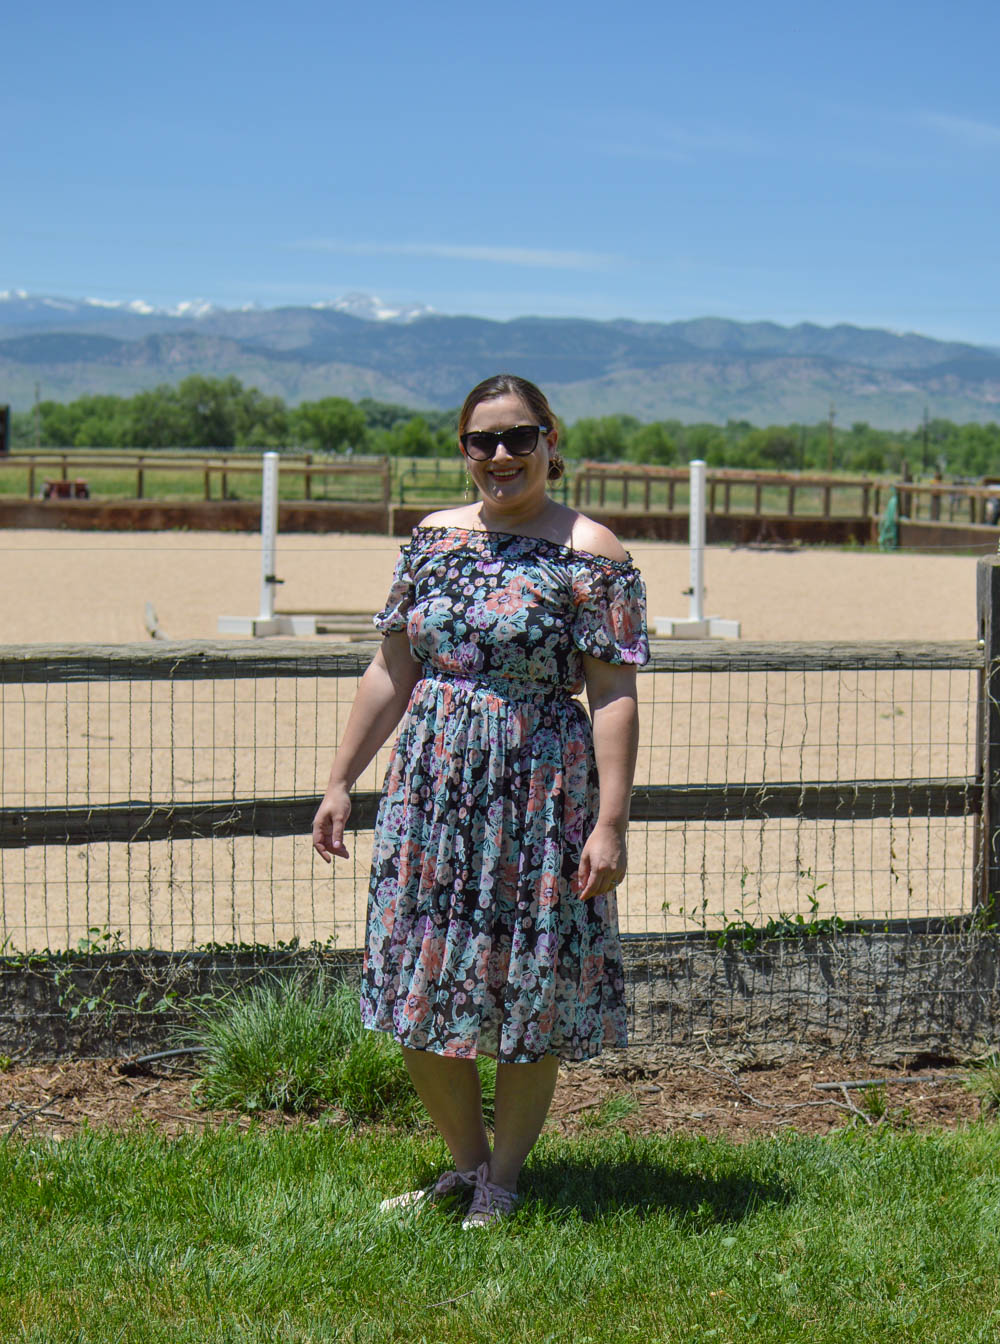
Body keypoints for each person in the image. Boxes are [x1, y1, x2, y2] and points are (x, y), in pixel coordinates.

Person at [312, 373, 649, 1227]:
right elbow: (392, 669)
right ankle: (463, 1167)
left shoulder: (591, 551)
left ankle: (505, 1178)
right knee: (422, 979)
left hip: (540, 797)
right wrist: (340, 779)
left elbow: (612, 694)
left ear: (551, 441)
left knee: (530, 985)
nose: (501, 456)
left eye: (519, 438)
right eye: (482, 441)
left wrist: (609, 823)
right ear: (462, 449)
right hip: (432, 792)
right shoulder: (431, 540)